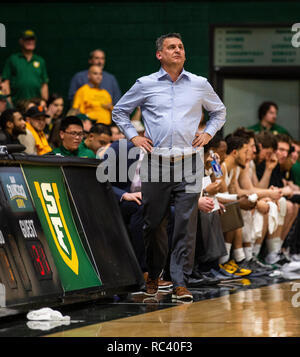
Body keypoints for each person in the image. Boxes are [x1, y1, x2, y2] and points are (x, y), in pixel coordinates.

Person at [111, 33, 226, 301]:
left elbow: (219, 112)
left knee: (186, 224)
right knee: (153, 224)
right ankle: (154, 273)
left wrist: (208, 134)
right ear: (159, 55)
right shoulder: (145, 83)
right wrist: (134, 136)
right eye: (171, 47)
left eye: (181, 47)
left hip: (189, 161)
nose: (178, 50)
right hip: (155, 161)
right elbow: (119, 111)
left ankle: (180, 282)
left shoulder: (199, 84)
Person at [1, 30, 49, 107]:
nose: (30, 42)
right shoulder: (13, 59)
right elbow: (5, 82)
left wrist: (44, 101)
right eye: (27, 39)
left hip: (36, 104)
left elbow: (44, 84)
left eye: (32, 39)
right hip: (17, 103)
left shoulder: (40, 61)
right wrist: (9, 101)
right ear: (21, 41)